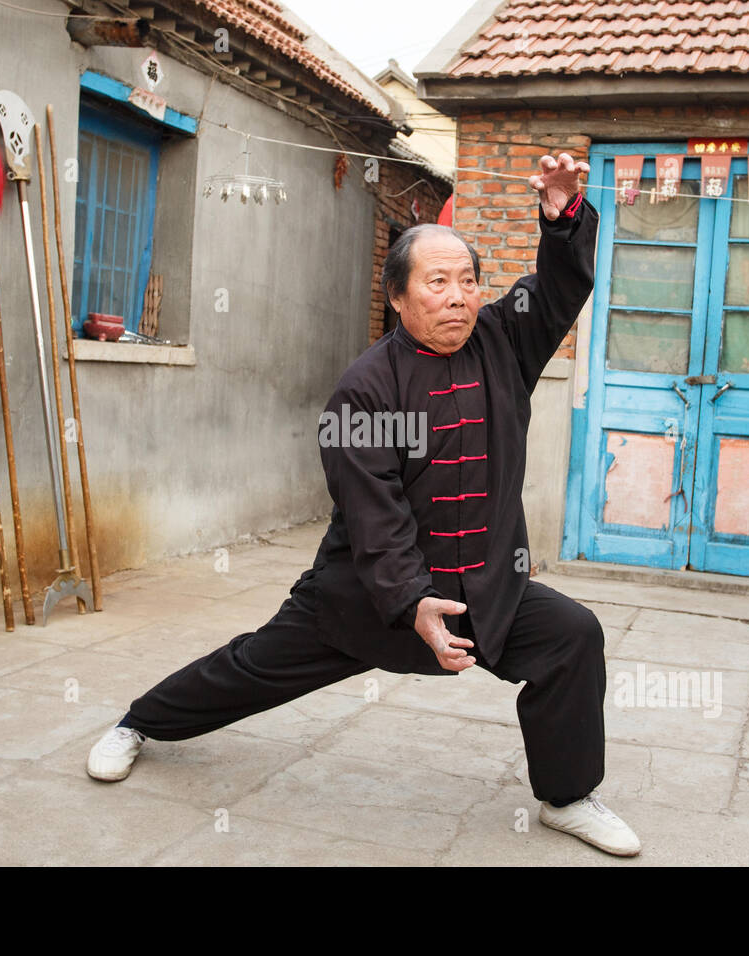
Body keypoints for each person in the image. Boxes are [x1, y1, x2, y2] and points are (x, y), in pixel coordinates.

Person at [87, 153, 640, 857]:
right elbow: (375, 518)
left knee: (571, 636)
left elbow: (557, 292)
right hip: (367, 593)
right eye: (437, 283)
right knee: (253, 667)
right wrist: (413, 603)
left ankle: (567, 796)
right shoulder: (364, 390)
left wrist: (561, 221)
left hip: (484, 585)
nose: (459, 297)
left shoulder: (505, 342)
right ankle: (138, 722)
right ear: (399, 299)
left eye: (469, 281)